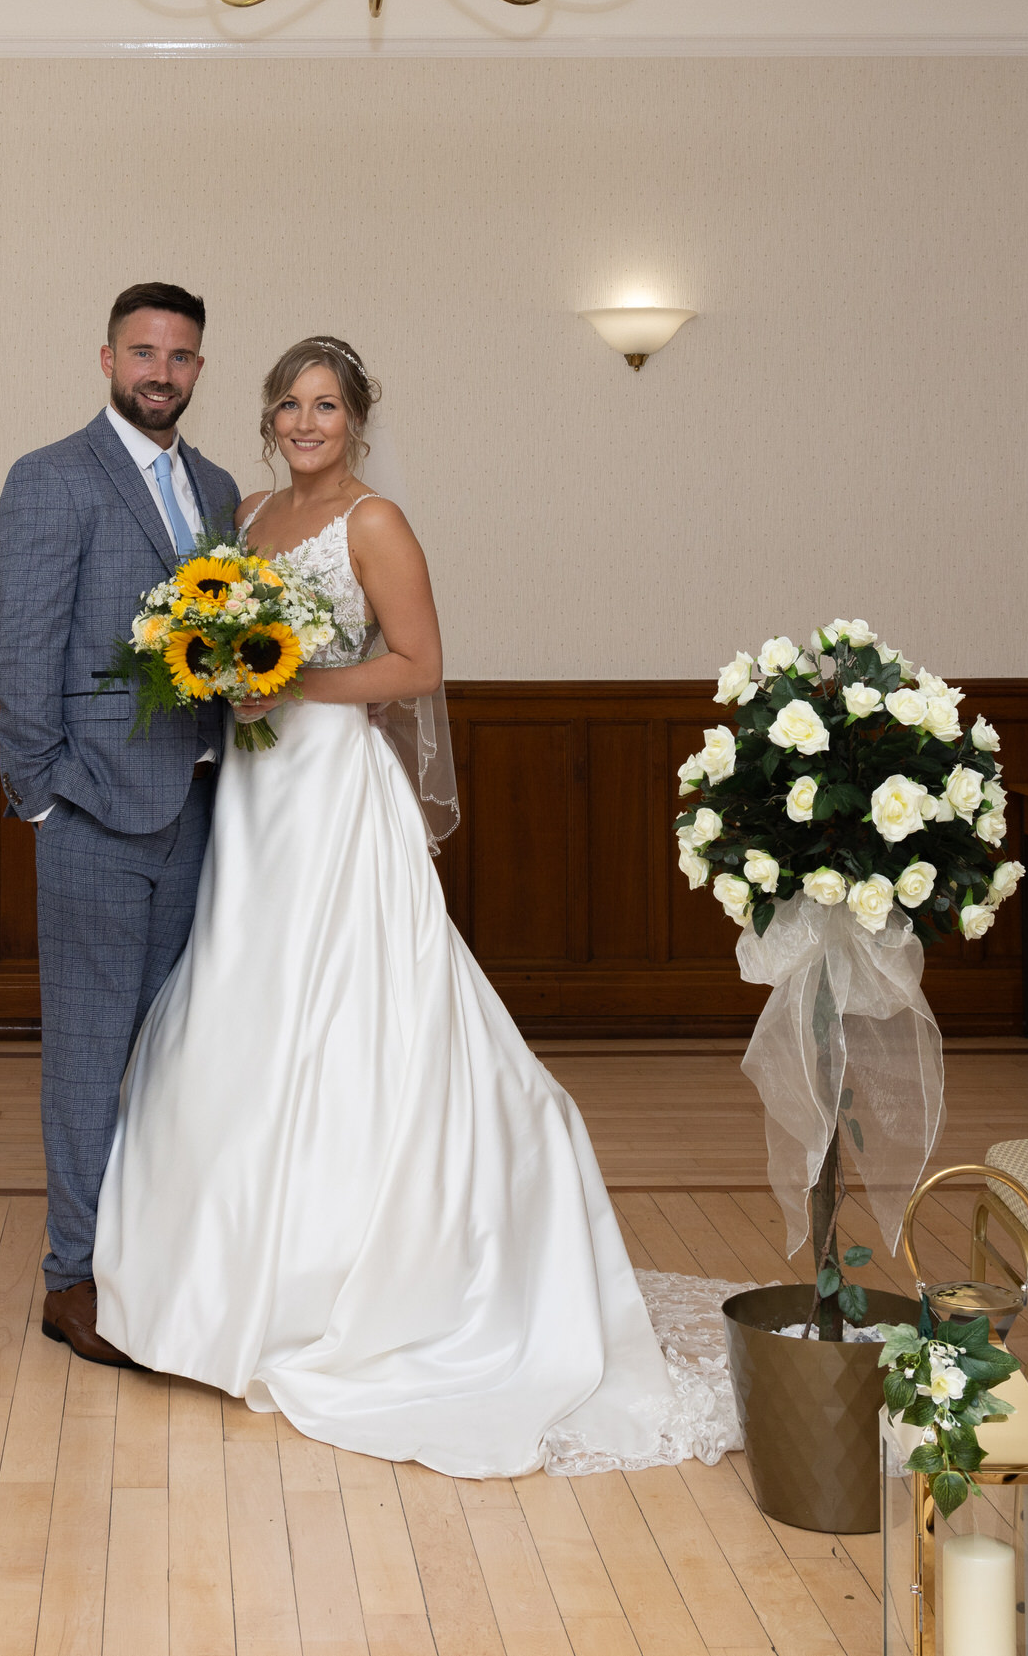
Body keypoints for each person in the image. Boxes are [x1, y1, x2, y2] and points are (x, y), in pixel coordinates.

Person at [91, 336, 715, 1477]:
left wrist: (287, 679)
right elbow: (218, 635)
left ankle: (366, 1275)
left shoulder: (374, 523)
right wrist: (217, 667)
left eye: (324, 405)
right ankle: (212, 1282)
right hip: (254, 794)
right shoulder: (252, 516)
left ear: (358, 420)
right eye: (287, 403)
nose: (303, 421)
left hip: (331, 787)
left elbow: (420, 664)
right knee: (241, 989)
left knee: (346, 1002)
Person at [0, 281, 241, 1371]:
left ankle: (150, 1252)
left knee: (173, 1048)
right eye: (144, 352)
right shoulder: (51, 479)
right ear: (105, 358)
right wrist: (39, 793)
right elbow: (22, 648)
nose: (161, 373)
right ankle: (71, 1278)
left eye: (180, 357)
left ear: (198, 369)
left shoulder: (220, 486)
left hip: (202, 804)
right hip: (95, 807)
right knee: (90, 1055)